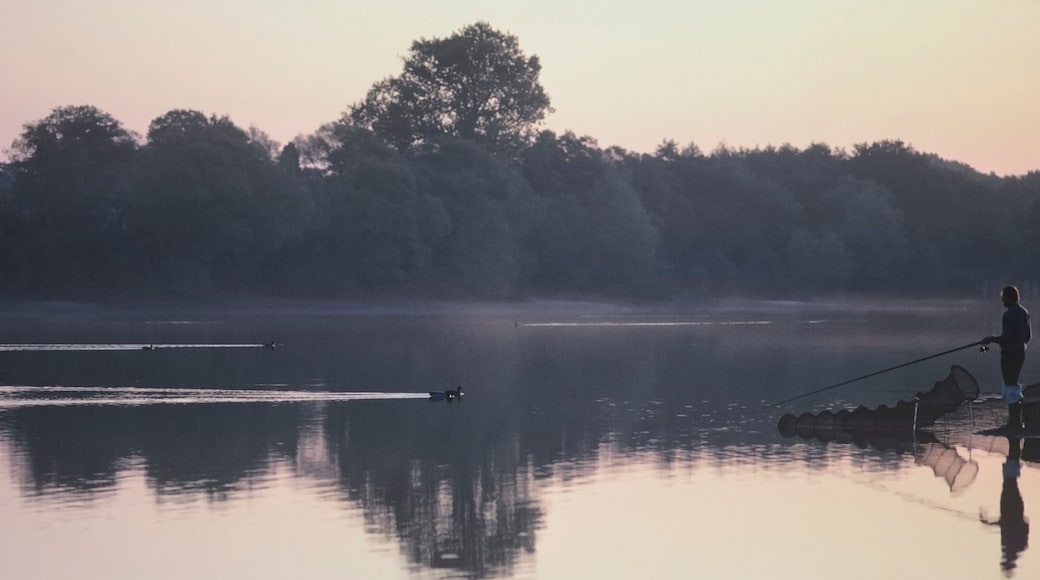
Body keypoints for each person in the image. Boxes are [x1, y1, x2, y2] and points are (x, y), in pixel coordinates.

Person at [983, 286, 1031, 429]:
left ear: (1009, 298)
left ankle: (1014, 423)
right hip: (1020, 353)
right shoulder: (1024, 312)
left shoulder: (1008, 315)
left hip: (1009, 354)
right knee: (1013, 384)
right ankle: (1015, 420)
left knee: (1010, 385)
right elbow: (1027, 337)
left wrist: (990, 339)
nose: (1002, 300)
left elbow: (1006, 339)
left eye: (1003, 297)